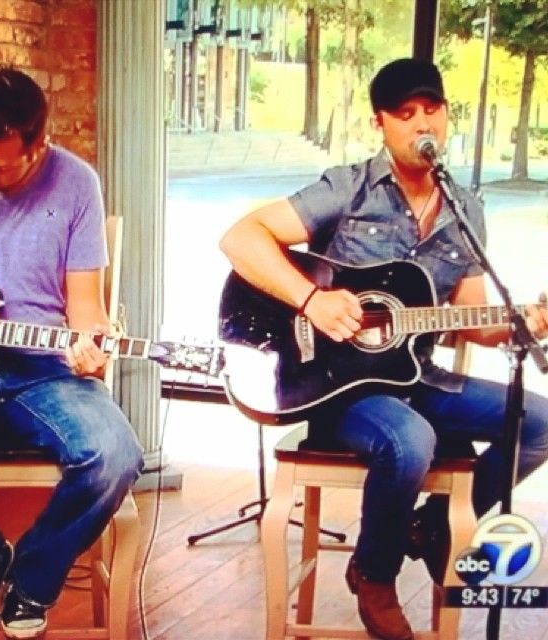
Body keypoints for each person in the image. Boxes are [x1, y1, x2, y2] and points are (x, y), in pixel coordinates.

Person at [219, 57, 548, 640]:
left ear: (447, 115)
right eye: (405, 113)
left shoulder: (465, 209)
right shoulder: (348, 188)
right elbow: (240, 238)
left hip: (417, 377)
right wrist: (311, 300)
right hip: (338, 388)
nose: (422, 122)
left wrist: (524, 323)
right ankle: (374, 573)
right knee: (410, 440)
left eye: (432, 109)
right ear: (381, 123)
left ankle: (430, 526)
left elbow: (473, 320)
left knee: (541, 421)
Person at [0, 67, 144, 640]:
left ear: (40, 144)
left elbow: (85, 308)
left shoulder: (77, 182)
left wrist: (92, 350)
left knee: (116, 454)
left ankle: (32, 579)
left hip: (45, 370)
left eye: (4, 167)